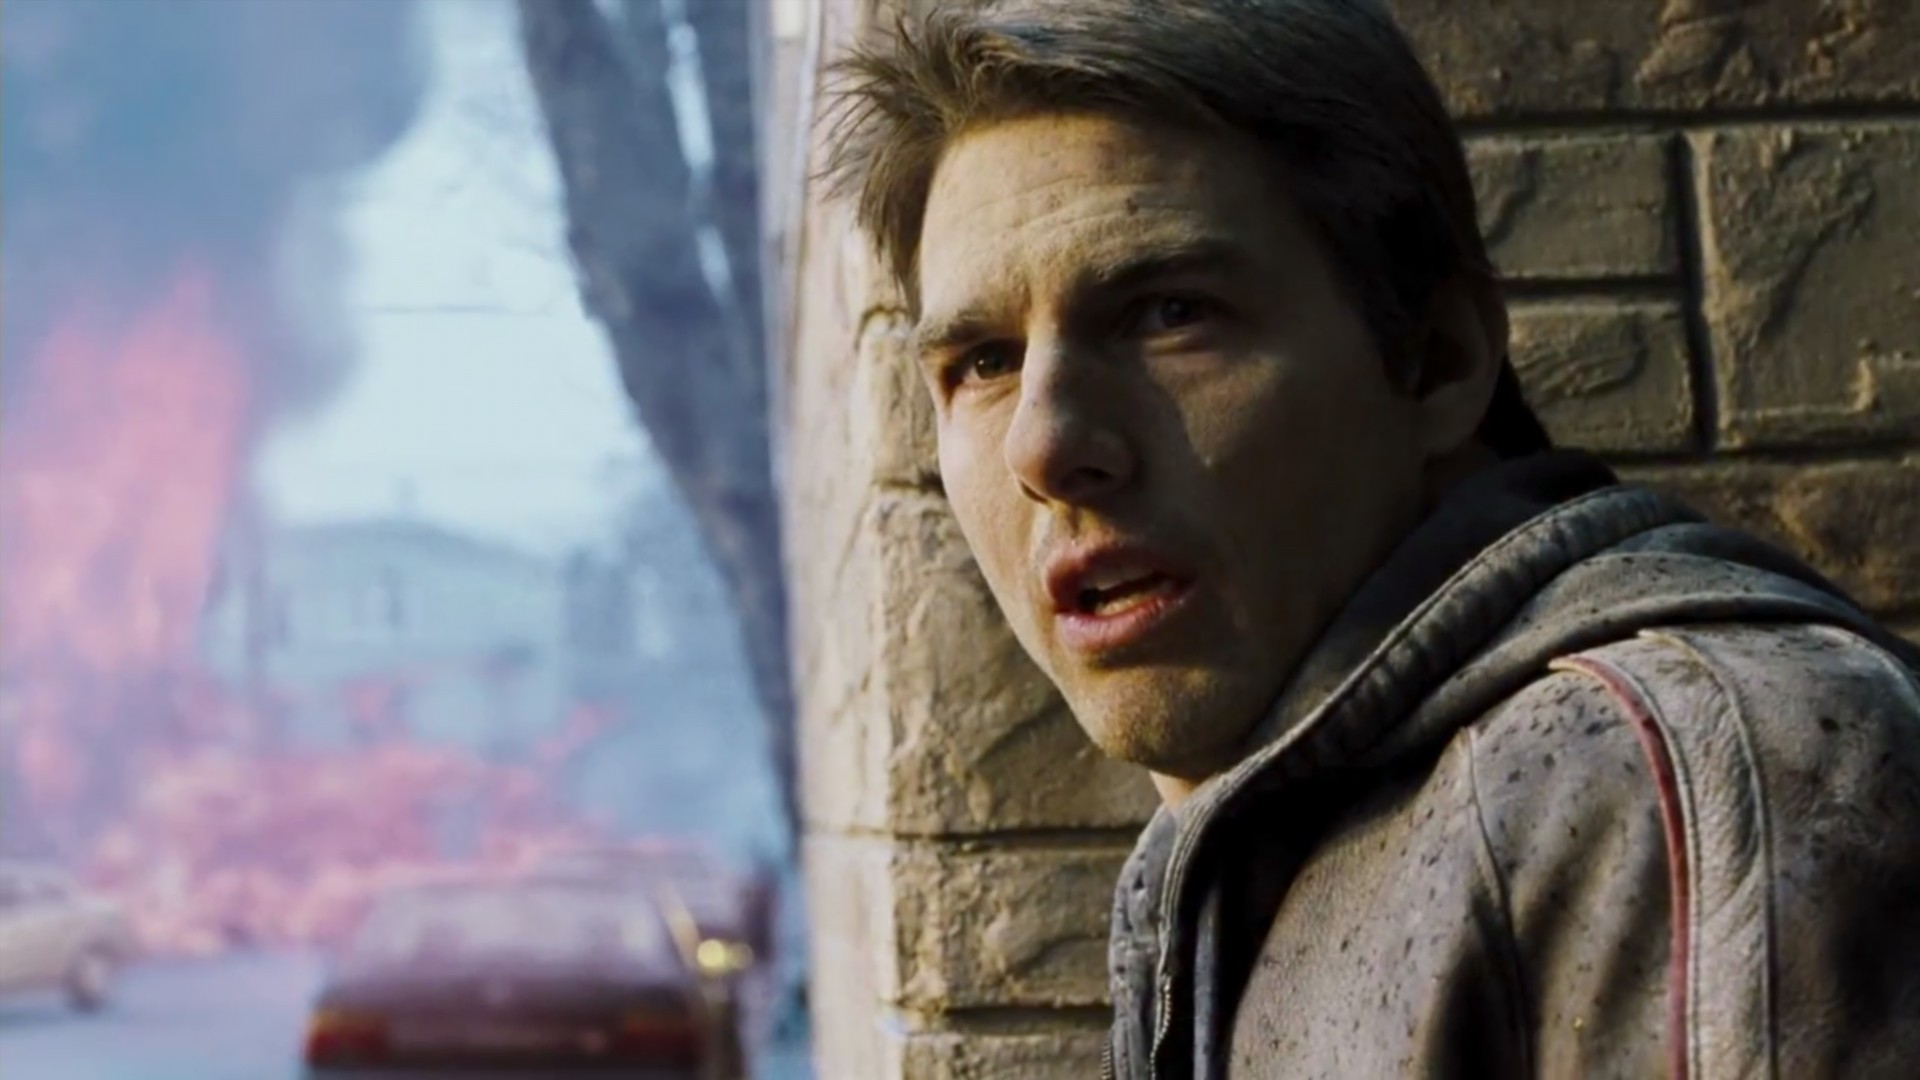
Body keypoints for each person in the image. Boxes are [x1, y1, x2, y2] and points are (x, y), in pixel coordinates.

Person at [823, 1, 1920, 1076]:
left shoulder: (1682, 777)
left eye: (1170, 313)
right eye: (983, 361)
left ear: (1437, 360)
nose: (1046, 445)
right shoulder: (1269, 828)